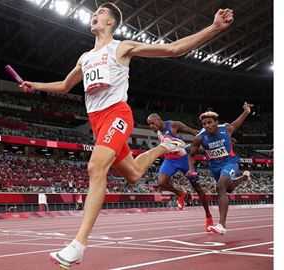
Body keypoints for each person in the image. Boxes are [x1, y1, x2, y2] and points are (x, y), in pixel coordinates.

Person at [18, 2, 234, 268]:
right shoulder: (84, 58)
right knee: (133, 174)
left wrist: (213, 28)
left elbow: (173, 48)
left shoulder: (121, 47)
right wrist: (34, 84)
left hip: (117, 115)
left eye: (100, 13)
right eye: (94, 13)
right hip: (97, 122)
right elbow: (64, 85)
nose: (94, 15)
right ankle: (165, 147)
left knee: (96, 168)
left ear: (111, 22)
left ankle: (78, 245)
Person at [187, 102, 252, 235]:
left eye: (210, 122)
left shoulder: (226, 129)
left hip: (230, 162)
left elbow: (237, 123)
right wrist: (191, 168)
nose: (207, 126)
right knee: (228, 188)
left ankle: (222, 225)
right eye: (204, 124)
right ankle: (244, 177)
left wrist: (246, 112)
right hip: (214, 167)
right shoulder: (200, 137)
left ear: (216, 122)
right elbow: (192, 154)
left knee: (220, 186)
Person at [147, 113, 213, 232]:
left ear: (159, 119)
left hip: (184, 160)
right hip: (169, 161)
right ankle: (180, 194)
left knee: (198, 189)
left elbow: (194, 132)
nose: (151, 126)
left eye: (152, 123)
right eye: (149, 124)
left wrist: (207, 142)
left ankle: (208, 217)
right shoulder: (158, 132)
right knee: (161, 182)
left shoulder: (173, 125)